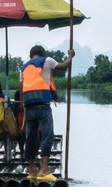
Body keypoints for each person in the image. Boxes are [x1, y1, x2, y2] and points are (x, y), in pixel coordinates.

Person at [21, 44, 75, 179]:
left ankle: (32, 170)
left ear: (31, 55)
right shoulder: (47, 61)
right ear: (42, 54)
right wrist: (70, 56)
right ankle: (44, 170)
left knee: (30, 138)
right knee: (47, 136)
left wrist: (24, 107)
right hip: (43, 107)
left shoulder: (24, 67)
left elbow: (21, 89)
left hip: (28, 108)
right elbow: (63, 67)